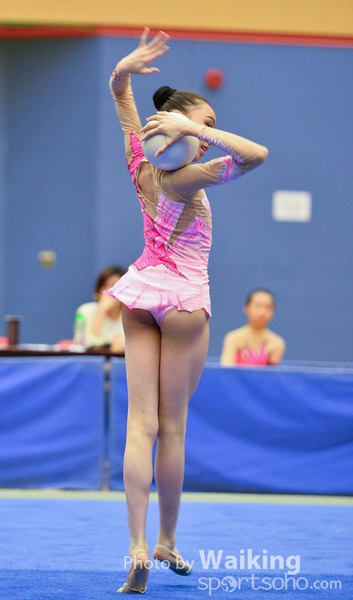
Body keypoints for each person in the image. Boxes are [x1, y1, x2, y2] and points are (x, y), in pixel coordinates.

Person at [107, 28, 268, 594]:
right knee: (171, 428)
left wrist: (124, 70)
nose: (205, 134)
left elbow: (120, 95)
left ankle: (135, 545)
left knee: (139, 425)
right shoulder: (189, 179)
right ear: (177, 130)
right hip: (182, 304)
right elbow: (256, 155)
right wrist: (195, 129)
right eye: (204, 123)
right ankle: (166, 541)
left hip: (138, 298)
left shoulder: (139, 164)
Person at [220, 288, 285, 366]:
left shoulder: (277, 342)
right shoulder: (233, 338)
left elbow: (272, 372)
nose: (262, 312)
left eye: (268, 307)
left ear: (273, 312)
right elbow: (226, 368)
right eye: (258, 306)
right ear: (246, 308)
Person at [73, 265, 126, 351]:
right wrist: (101, 311)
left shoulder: (131, 315)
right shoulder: (84, 311)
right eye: (104, 285)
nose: (108, 291)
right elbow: (84, 344)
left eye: (114, 285)